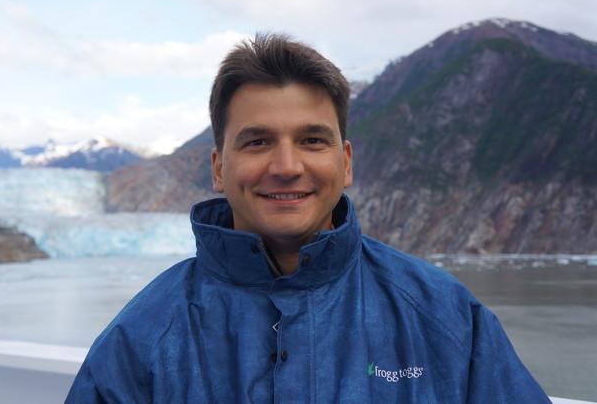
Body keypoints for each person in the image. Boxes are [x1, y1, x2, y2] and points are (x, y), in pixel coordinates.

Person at [65, 33, 549, 403]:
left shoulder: (445, 317)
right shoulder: (143, 338)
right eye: (257, 141)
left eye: (312, 140)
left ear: (346, 162)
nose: (286, 166)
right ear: (218, 167)